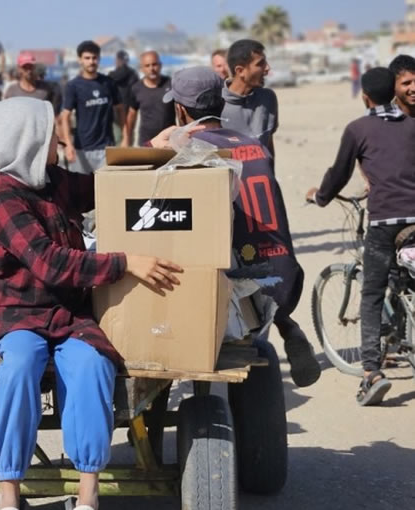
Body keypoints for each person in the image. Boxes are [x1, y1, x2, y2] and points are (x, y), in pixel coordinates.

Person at [0, 97, 181, 510]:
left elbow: (101, 186)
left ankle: (87, 492)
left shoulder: (50, 179)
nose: (57, 141)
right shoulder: (3, 193)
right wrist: (126, 263)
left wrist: (152, 150)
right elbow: (47, 262)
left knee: (92, 365)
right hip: (17, 314)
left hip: (70, 315)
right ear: (28, 139)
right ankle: (8, 492)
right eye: (50, 134)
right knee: (19, 366)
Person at [150, 65, 321, 388]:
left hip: (238, 280)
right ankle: (286, 326)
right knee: (256, 345)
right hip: (283, 271)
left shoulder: (189, 150)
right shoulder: (253, 143)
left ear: (180, 110)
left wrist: (154, 146)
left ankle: (200, 399)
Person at [306, 67, 415, 405]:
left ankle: (371, 372)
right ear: (395, 93)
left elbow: (338, 173)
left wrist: (320, 197)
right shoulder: (412, 125)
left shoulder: (358, 129)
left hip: (386, 223)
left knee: (371, 292)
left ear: (365, 96)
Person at [61, 40, 124, 175]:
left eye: (94, 58)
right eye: (87, 58)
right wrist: (68, 145)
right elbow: (65, 116)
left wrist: (125, 137)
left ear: (99, 59)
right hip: (81, 148)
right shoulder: (73, 86)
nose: (91, 61)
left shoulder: (108, 83)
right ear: (80, 60)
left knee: (107, 190)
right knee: (79, 192)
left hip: (106, 149)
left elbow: (120, 109)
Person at [222, 39, 278, 155]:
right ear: (240, 71)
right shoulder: (217, 103)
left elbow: (268, 143)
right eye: (260, 64)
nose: (267, 68)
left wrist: (270, 172)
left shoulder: (268, 98)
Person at [123, 50, 174, 147]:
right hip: (146, 142)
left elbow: (180, 110)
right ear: (141, 68)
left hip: (169, 141)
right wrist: (126, 139)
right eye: (147, 65)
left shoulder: (171, 84)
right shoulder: (136, 88)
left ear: (160, 65)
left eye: (154, 64)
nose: (151, 68)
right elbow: (131, 115)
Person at [108, 50, 138, 145]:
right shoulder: (133, 74)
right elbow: (136, 94)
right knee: (129, 139)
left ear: (117, 60)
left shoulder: (111, 76)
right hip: (130, 112)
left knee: (117, 140)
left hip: (115, 113)